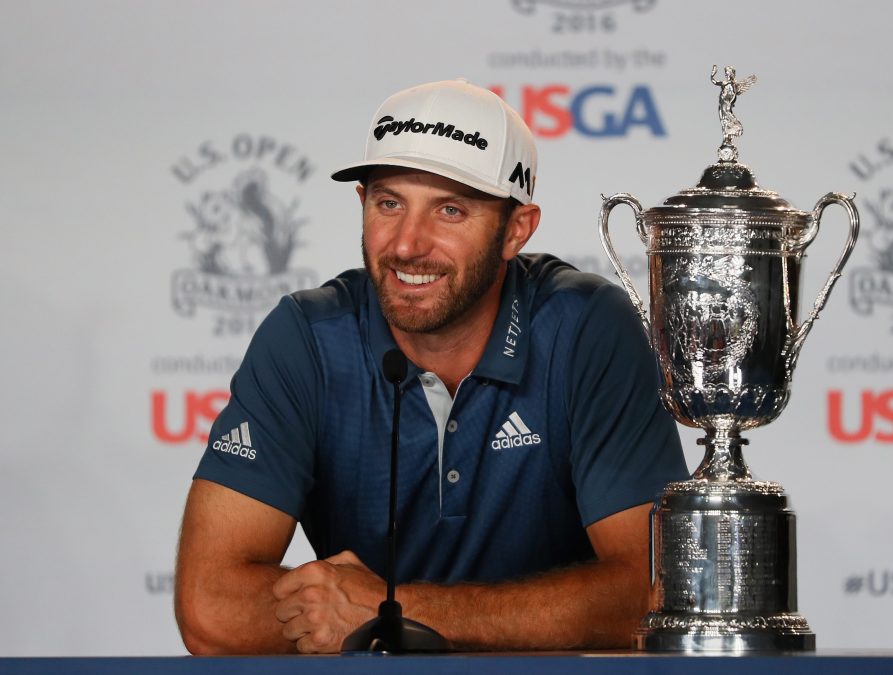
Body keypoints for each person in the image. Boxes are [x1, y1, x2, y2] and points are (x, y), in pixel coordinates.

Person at [174, 79, 688, 655]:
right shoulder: (308, 338)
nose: (407, 244)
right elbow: (208, 609)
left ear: (516, 229)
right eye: (388, 203)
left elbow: (657, 593)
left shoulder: (584, 327)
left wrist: (390, 613)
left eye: (450, 210)